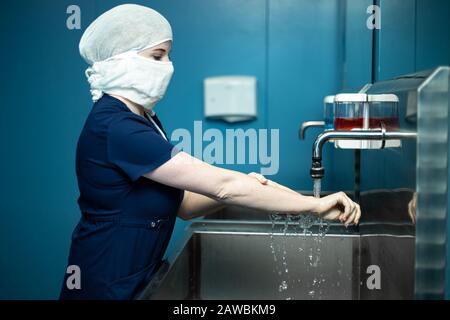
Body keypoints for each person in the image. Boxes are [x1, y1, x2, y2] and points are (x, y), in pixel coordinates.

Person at [60, 4, 361, 300]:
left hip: (134, 280)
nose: (168, 66)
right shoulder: (117, 127)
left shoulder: (144, 119)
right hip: (104, 284)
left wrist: (257, 186)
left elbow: (186, 203)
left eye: (168, 55)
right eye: (157, 55)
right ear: (120, 60)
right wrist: (313, 206)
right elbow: (223, 186)